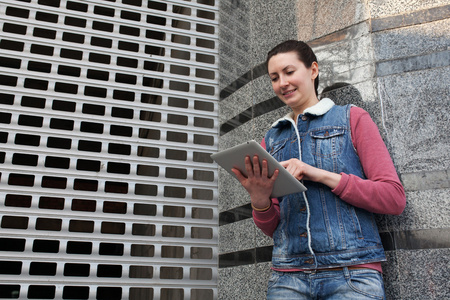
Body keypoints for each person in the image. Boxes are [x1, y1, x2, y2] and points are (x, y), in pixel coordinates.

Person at [231, 40, 406, 299]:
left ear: (313, 70)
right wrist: (259, 199)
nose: (282, 83)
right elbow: (273, 227)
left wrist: (316, 173)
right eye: (274, 77)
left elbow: (393, 198)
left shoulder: (352, 118)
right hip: (288, 277)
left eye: (289, 72)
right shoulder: (272, 138)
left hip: (352, 274)